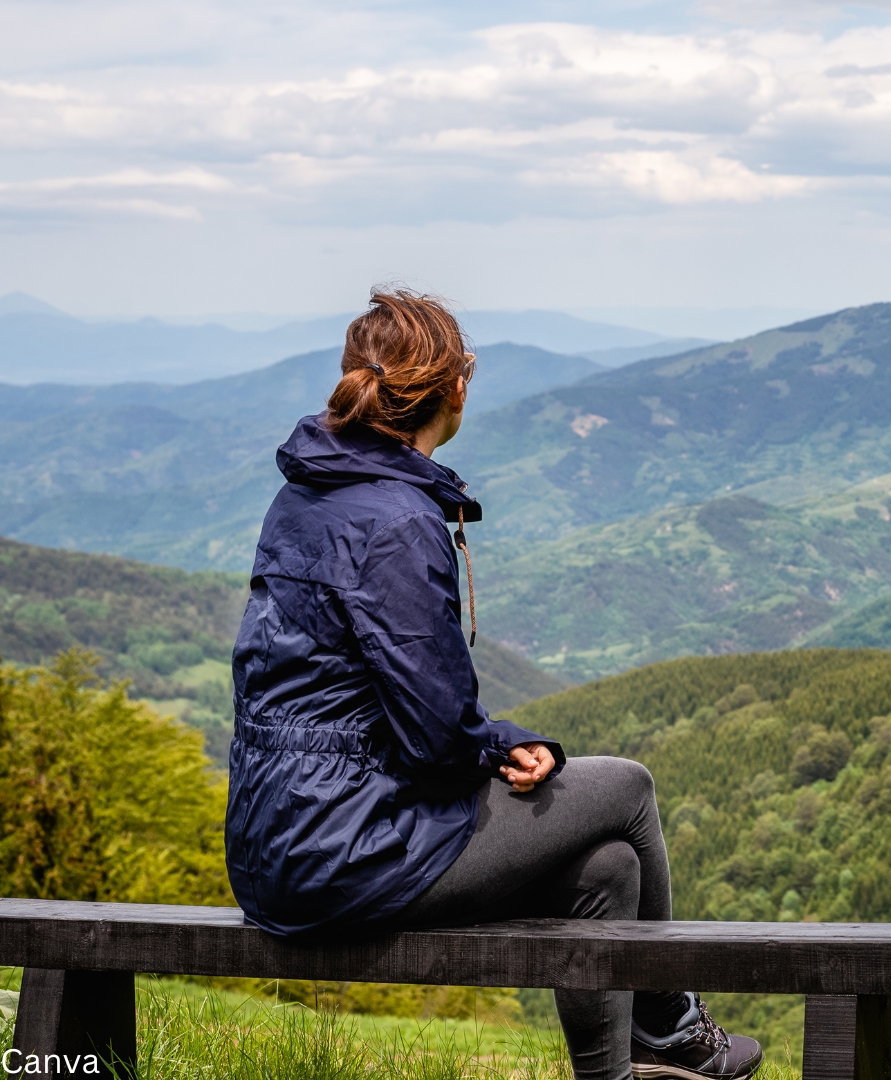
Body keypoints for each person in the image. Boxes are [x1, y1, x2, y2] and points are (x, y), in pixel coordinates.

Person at [225, 288, 762, 1080]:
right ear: (457, 390)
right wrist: (495, 745)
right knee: (628, 788)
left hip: (275, 838)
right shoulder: (397, 521)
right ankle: (673, 1025)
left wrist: (500, 742)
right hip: (343, 849)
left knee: (608, 869)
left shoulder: (307, 494)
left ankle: (620, 1071)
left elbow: (382, 698)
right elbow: (438, 740)